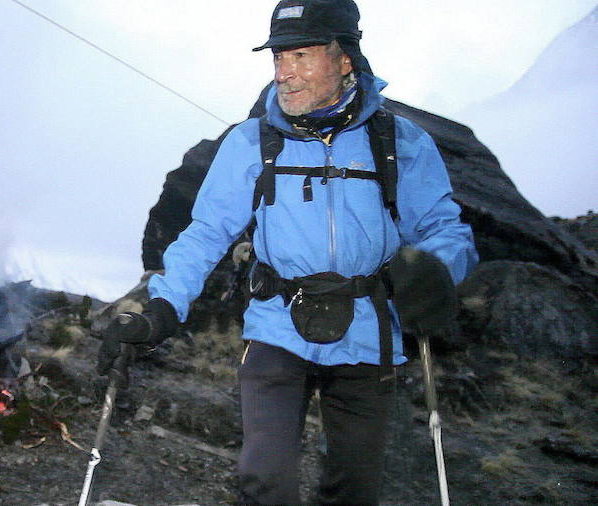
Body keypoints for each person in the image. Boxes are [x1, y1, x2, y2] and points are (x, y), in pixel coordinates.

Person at [98, 0, 478, 504]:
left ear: (345, 60)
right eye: (279, 57)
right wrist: (163, 306)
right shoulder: (250, 143)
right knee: (264, 481)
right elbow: (206, 232)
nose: (285, 73)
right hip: (278, 325)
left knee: (354, 490)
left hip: (370, 331)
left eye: (301, 56)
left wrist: (435, 270)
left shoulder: (399, 142)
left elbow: (444, 229)